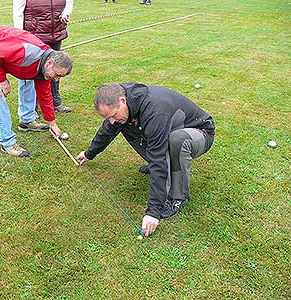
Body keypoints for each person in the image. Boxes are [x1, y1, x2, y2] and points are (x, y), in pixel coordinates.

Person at [77, 83, 215, 237]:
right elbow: (107, 130)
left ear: (123, 101)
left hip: (199, 132)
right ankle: (166, 166)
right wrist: (89, 154)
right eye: (107, 117)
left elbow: (158, 159)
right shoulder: (120, 106)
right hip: (169, 128)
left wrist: (153, 212)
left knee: (177, 141)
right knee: (123, 124)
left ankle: (178, 196)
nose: (111, 120)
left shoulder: (154, 111)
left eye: (113, 115)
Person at [0, 25, 73, 157]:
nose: (56, 79)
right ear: (49, 63)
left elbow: (45, 95)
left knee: (28, 78)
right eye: (57, 74)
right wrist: (1, 80)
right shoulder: (26, 52)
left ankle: (27, 120)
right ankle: (7, 142)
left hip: (0, 52)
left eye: (60, 77)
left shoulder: (45, 66)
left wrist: (52, 123)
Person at [13, 0, 74, 114]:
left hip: (55, 33)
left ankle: (55, 101)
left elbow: (69, 1)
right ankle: (32, 109)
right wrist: (20, 37)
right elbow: (18, 12)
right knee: (33, 73)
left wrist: (66, 12)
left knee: (56, 70)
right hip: (35, 36)